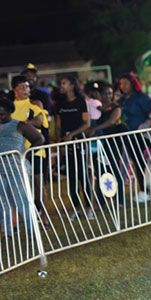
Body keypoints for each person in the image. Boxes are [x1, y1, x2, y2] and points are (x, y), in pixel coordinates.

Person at [0, 98, 44, 237]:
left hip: (16, 169)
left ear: (9, 112)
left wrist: (26, 154)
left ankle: (32, 231)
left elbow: (39, 138)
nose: (0, 117)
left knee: (22, 201)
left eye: (2, 114)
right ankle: (7, 233)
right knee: (3, 203)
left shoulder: (19, 125)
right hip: (0, 170)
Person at [54, 76, 94, 220]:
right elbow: (58, 124)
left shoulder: (81, 102)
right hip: (66, 144)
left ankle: (89, 208)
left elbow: (87, 124)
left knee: (83, 176)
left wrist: (72, 135)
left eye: (64, 83)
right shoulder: (60, 103)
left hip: (79, 142)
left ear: (72, 85)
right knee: (71, 178)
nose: (61, 85)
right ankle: (76, 209)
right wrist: (59, 141)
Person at [118, 72, 151, 203]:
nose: (123, 86)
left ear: (132, 84)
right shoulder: (121, 100)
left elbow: (150, 115)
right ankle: (137, 189)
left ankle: (144, 190)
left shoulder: (141, 98)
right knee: (130, 163)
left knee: (140, 163)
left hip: (140, 135)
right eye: (121, 84)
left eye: (126, 83)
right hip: (125, 135)